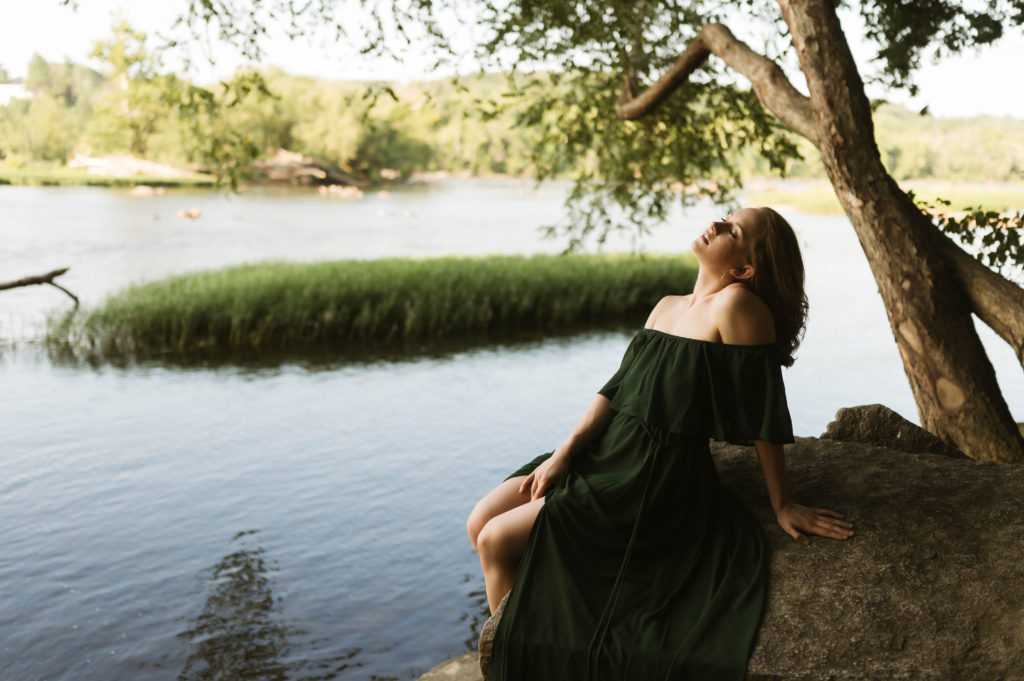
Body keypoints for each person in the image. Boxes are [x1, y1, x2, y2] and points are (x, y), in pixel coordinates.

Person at [466, 207, 855, 681]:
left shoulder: (738, 308)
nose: (715, 224)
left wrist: (783, 503)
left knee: (495, 541)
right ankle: (533, 629)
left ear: (743, 269)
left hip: (652, 473)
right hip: (607, 451)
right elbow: (615, 390)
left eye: (732, 229)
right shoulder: (668, 305)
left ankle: (513, 664)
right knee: (478, 522)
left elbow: (763, 414)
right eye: (725, 216)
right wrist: (564, 454)